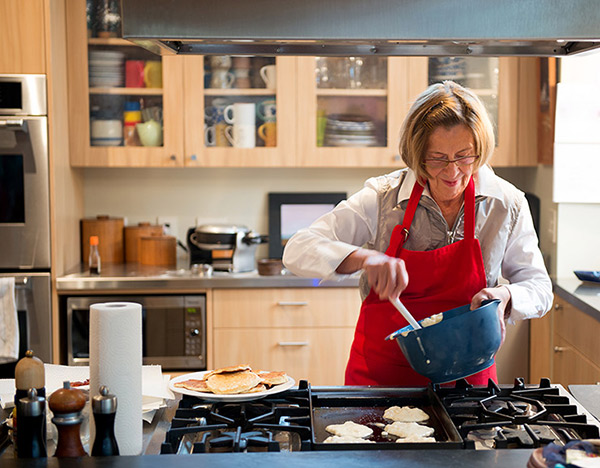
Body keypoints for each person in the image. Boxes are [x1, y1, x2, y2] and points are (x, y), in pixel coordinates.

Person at [283, 81, 553, 387]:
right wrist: (363, 258)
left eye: (465, 156)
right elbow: (297, 248)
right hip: (381, 381)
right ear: (416, 153)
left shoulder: (506, 204)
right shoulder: (383, 198)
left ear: (480, 150)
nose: (452, 173)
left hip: (468, 382)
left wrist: (505, 296)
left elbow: (539, 287)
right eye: (437, 158)